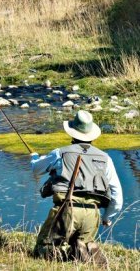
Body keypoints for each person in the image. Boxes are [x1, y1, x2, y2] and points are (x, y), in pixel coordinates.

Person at [30, 110, 123, 265]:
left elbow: (36, 169)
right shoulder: (106, 158)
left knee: (43, 251)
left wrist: (34, 158)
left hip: (65, 210)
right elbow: (117, 196)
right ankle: (83, 249)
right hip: (92, 214)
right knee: (81, 247)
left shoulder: (60, 153)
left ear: (72, 133)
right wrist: (107, 217)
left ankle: (65, 252)